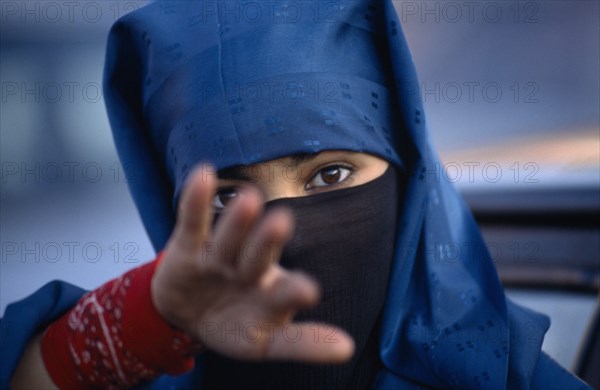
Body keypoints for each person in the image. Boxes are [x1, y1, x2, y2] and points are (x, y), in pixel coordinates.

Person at [1, 1, 592, 389]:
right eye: (229, 201)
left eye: (330, 176)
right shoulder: (144, 368)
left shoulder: (508, 378)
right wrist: (144, 322)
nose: (287, 232)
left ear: (405, 175)